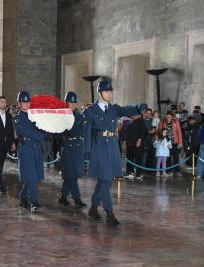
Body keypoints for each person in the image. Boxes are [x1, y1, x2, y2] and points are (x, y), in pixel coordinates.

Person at [84, 81, 147, 226]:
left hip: (112, 146)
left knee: (105, 180)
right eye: (106, 91)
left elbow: (126, 110)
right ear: (100, 92)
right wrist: (87, 152)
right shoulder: (91, 111)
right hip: (99, 147)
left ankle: (94, 207)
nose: (109, 94)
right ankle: (109, 212)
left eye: (111, 91)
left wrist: (138, 107)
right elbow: (87, 132)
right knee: (105, 180)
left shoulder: (114, 109)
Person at [14, 91, 46, 212]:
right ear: (19, 103)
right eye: (24, 102)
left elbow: (43, 129)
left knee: (33, 177)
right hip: (26, 150)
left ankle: (22, 197)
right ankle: (34, 202)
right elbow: (28, 132)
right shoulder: (17, 118)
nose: (26, 104)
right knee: (32, 177)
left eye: (28, 102)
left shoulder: (35, 115)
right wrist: (40, 135)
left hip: (36, 149)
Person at [58, 92, 87, 209]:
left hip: (78, 144)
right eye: (71, 102)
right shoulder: (63, 116)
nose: (73, 104)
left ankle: (63, 197)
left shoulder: (77, 115)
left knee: (73, 173)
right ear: (66, 103)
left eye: (75, 102)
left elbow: (81, 130)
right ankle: (77, 198)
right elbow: (68, 131)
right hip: (68, 145)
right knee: (71, 174)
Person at [159, 111, 183, 176]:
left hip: (175, 142)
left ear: (172, 117)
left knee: (176, 157)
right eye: (167, 117)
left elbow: (179, 132)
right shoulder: (162, 122)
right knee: (168, 157)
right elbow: (160, 131)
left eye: (169, 117)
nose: (168, 118)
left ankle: (177, 171)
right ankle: (169, 171)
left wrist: (180, 142)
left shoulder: (176, 122)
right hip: (166, 143)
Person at [124, 113, 147, 179]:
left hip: (138, 144)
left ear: (139, 115)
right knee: (129, 158)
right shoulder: (131, 122)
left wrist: (139, 140)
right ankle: (130, 172)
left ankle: (139, 173)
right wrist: (125, 142)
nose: (132, 115)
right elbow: (127, 133)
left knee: (138, 159)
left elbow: (144, 132)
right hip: (129, 143)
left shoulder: (142, 122)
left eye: (134, 114)